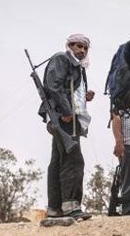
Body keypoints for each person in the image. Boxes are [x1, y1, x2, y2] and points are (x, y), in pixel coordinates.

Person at [41, 34, 95, 221]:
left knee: (58, 161)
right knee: (73, 160)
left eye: (85, 48)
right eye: (78, 46)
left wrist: (85, 96)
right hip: (64, 117)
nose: (81, 50)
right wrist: (65, 110)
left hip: (70, 116)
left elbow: (68, 88)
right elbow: (53, 86)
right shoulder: (62, 59)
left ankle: (55, 208)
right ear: (69, 46)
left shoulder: (78, 67)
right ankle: (71, 206)